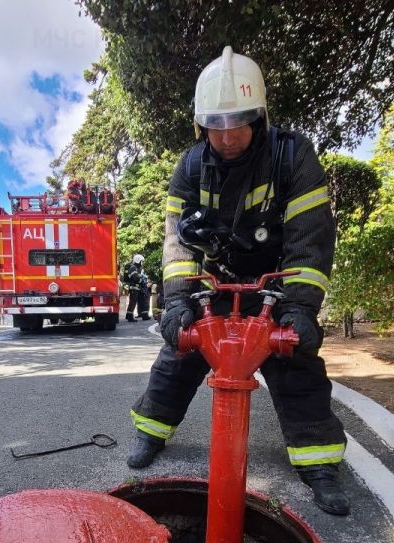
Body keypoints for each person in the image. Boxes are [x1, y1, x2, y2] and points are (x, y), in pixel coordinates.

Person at [126, 46, 349, 516]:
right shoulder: (189, 168)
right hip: (216, 283)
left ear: (260, 117)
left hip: (276, 286)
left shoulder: (293, 156)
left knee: (297, 365)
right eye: (216, 125)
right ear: (200, 125)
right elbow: (177, 245)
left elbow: (310, 240)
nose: (227, 137)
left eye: (238, 123)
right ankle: (151, 433)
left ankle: (320, 464)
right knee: (177, 355)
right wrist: (178, 302)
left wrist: (300, 307)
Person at [124, 254, 151, 322]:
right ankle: (130, 316)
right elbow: (135, 277)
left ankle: (144, 315)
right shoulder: (133, 268)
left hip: (138, 288)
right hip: (134, 288)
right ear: (138, 260)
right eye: (141, 261)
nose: (142, 263)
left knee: (142, 301)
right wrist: (141, 281)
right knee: (133, 302)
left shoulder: (138, 268)